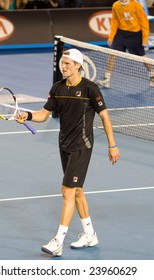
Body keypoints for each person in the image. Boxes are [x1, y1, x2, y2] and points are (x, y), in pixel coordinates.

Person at [16, 49, 120, 257]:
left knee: (67, 191)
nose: (64, 67)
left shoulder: (90, 89)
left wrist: (112, 145)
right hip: (64, 146)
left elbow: (105, 117)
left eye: (68, 64)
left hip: (82, 146)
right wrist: (27, 115)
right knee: (77, 191)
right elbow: (43, 115)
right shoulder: (57, 88)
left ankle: (58, 240)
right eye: (63, 63)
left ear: (78, 66)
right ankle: (90, 234)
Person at [98, 0, 154, 88]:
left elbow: (144, 22)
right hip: (121, 33)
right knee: (112, 55)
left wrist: (145, 38)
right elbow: (114, 21)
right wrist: (111, 37)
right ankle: (106, 79)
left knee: (143, 57)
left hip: (135, 35)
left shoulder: (136, 5)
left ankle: (152, 75)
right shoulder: (116, 5)